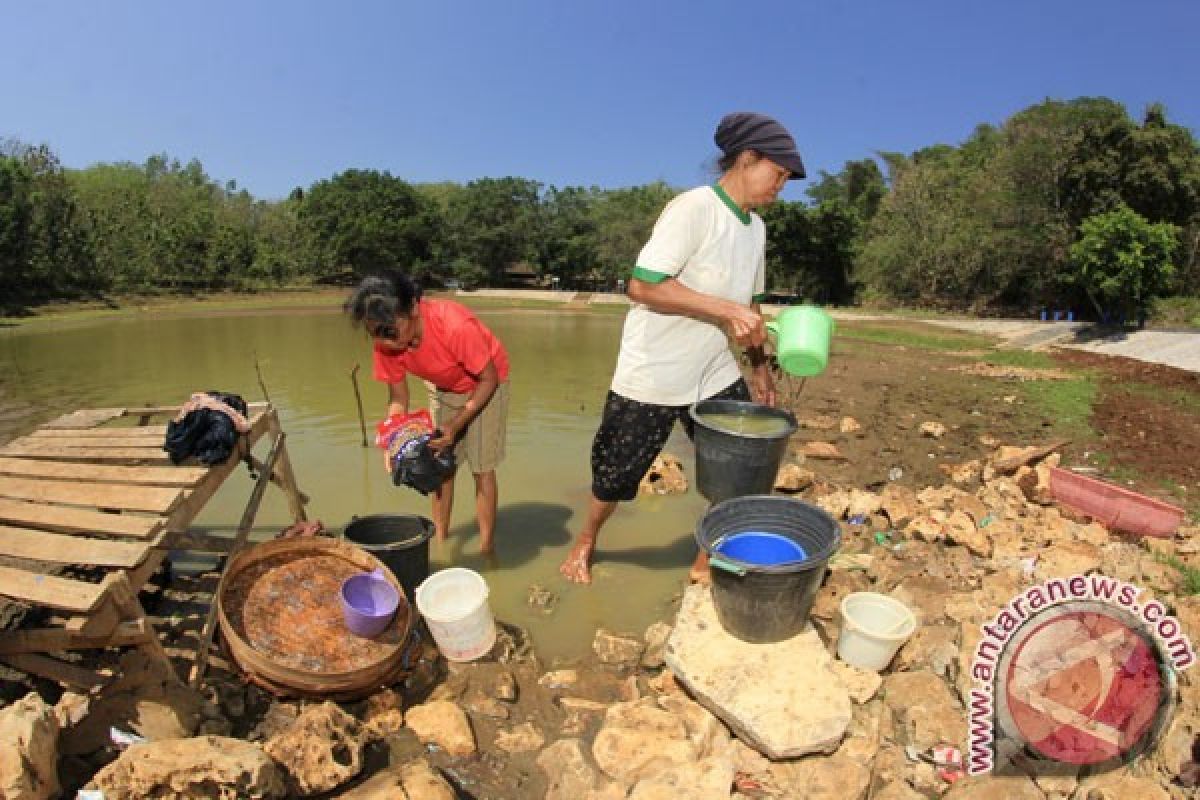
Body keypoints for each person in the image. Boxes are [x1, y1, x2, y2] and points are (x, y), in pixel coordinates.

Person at [559, 111, 805, 584]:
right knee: (613, 476)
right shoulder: (694, 209)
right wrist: (724, 310)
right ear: (747, 159)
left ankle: (703, 561)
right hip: (652, 374)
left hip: (712, 371)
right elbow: (643, 285)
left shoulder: (756, 230)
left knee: (743, 468)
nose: (781, 186)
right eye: (778, 174)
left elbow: (748, 304)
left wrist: (760, 370)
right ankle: (587, 539)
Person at [345, 274, 511, 554]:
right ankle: (441, 543)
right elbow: (398, 398)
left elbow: (488, 379)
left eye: (389, 331)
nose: (384, 342)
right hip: (444, 384)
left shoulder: (454, 325)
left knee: (482, 468)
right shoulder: (386, 344)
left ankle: (486, 548)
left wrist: (457, 424)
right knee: (439, 464)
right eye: (374, 333)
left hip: (485, 384)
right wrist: (394, 439)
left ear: (412, 308)